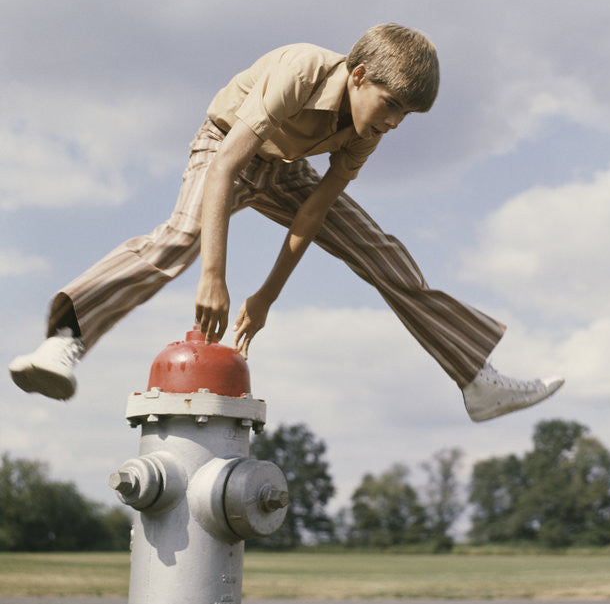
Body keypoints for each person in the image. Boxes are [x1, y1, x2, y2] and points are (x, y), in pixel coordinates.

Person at [10, 25, 563, 421]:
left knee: (379, 251)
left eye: (406, 115)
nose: (395, 122)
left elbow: (314, 212)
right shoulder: (301, 70)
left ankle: (475, 378)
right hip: (225, 147)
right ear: (359, 75)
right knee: (181, 237)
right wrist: (214, 276)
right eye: (391, 104)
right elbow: (227, 166)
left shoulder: (366, 131)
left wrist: (266, 297)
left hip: (287, 172)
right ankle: (64, 339)